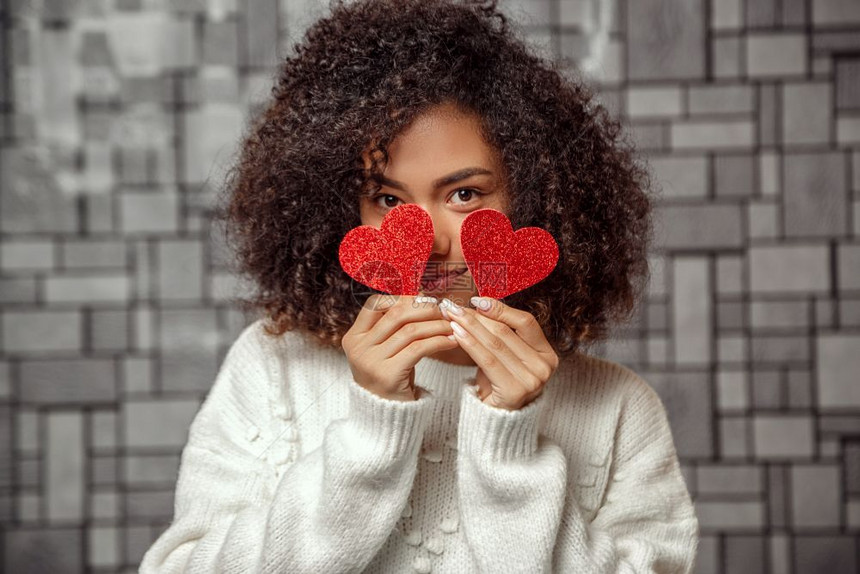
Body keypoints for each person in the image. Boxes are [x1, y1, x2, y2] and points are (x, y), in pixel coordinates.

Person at [138, 0, 699, 572]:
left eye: (464, 194)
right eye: (388, 199)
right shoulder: (272, 368)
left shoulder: (618, 409)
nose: (426, 240)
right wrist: (370, 433)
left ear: (537, 198)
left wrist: (509, 455)